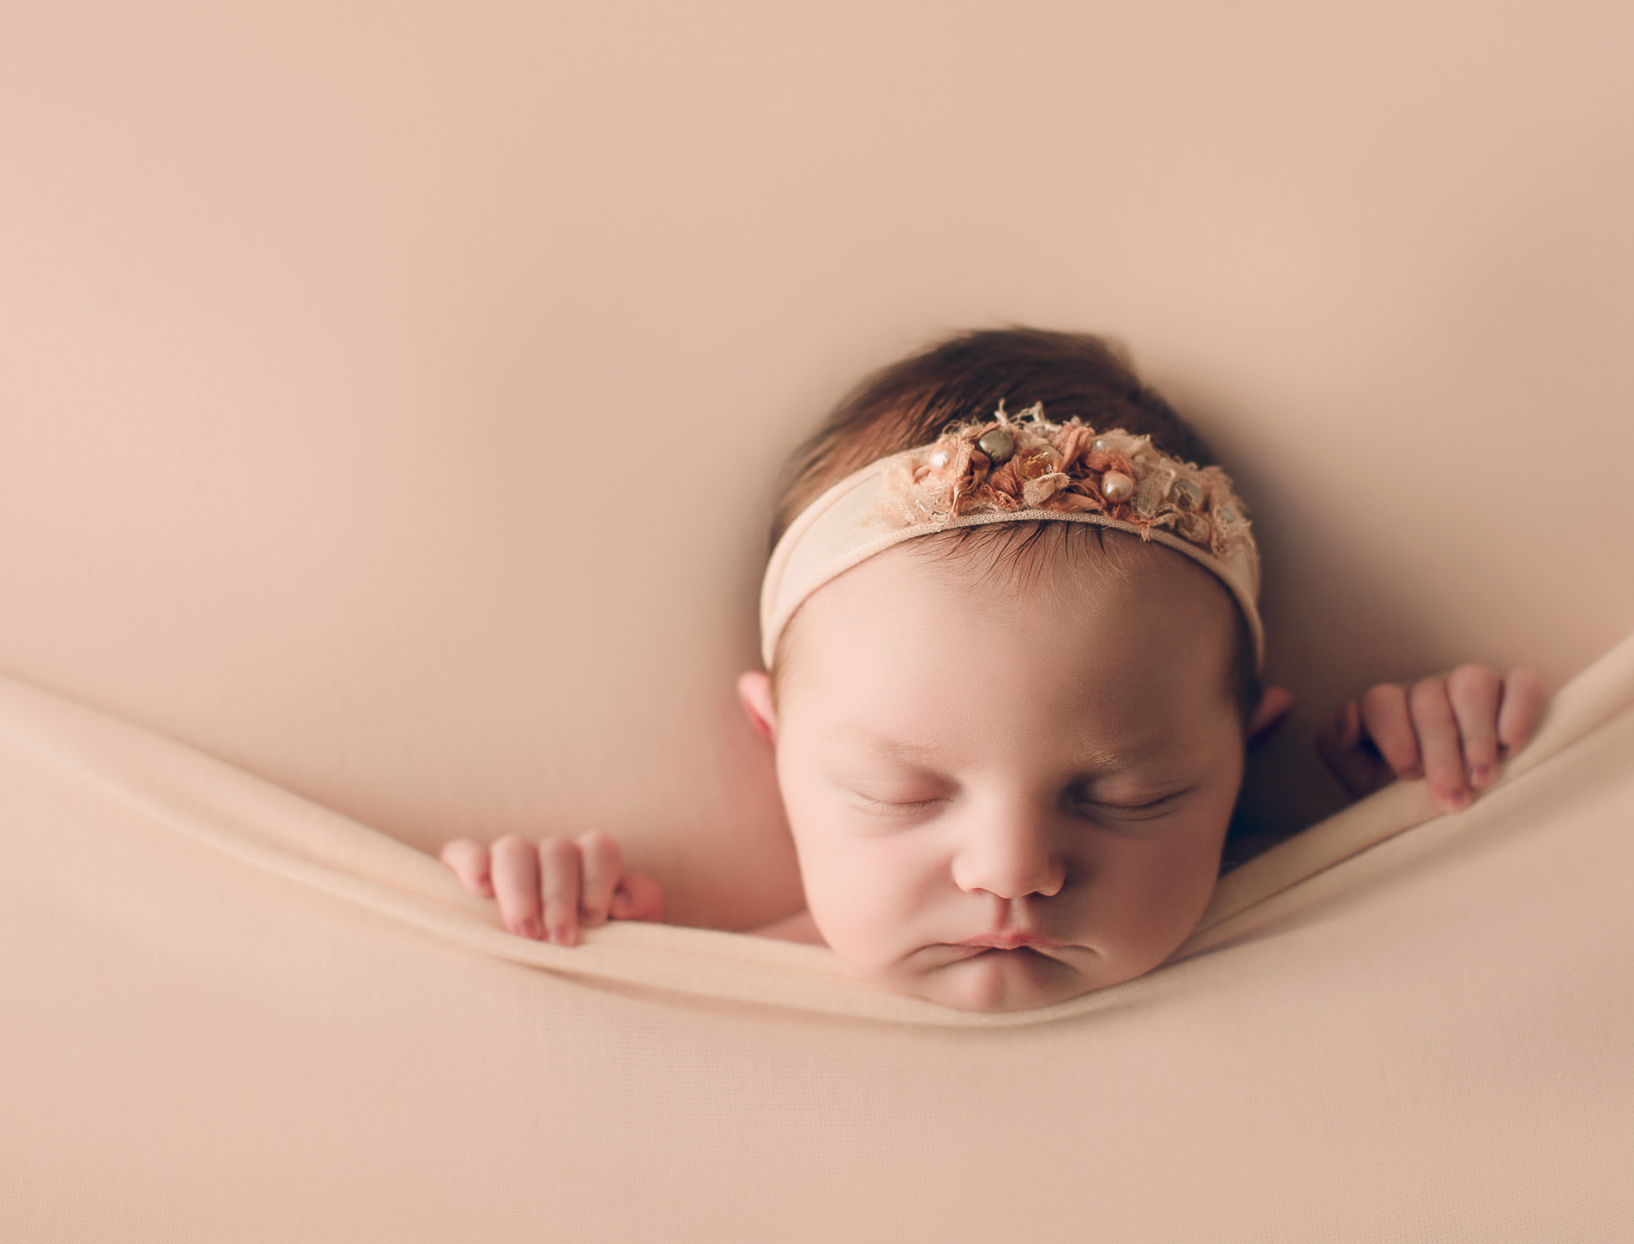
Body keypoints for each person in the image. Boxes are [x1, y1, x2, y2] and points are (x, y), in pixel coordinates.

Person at [439, 327, 1548, 1012]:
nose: (1010, 871)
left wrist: (1433, 792)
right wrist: (565, 934)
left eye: (1125, 796)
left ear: (1242, 756)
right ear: (777, 747)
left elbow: (1517, 947)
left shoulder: (1292, 899)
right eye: (900, 793)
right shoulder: (733, 984)